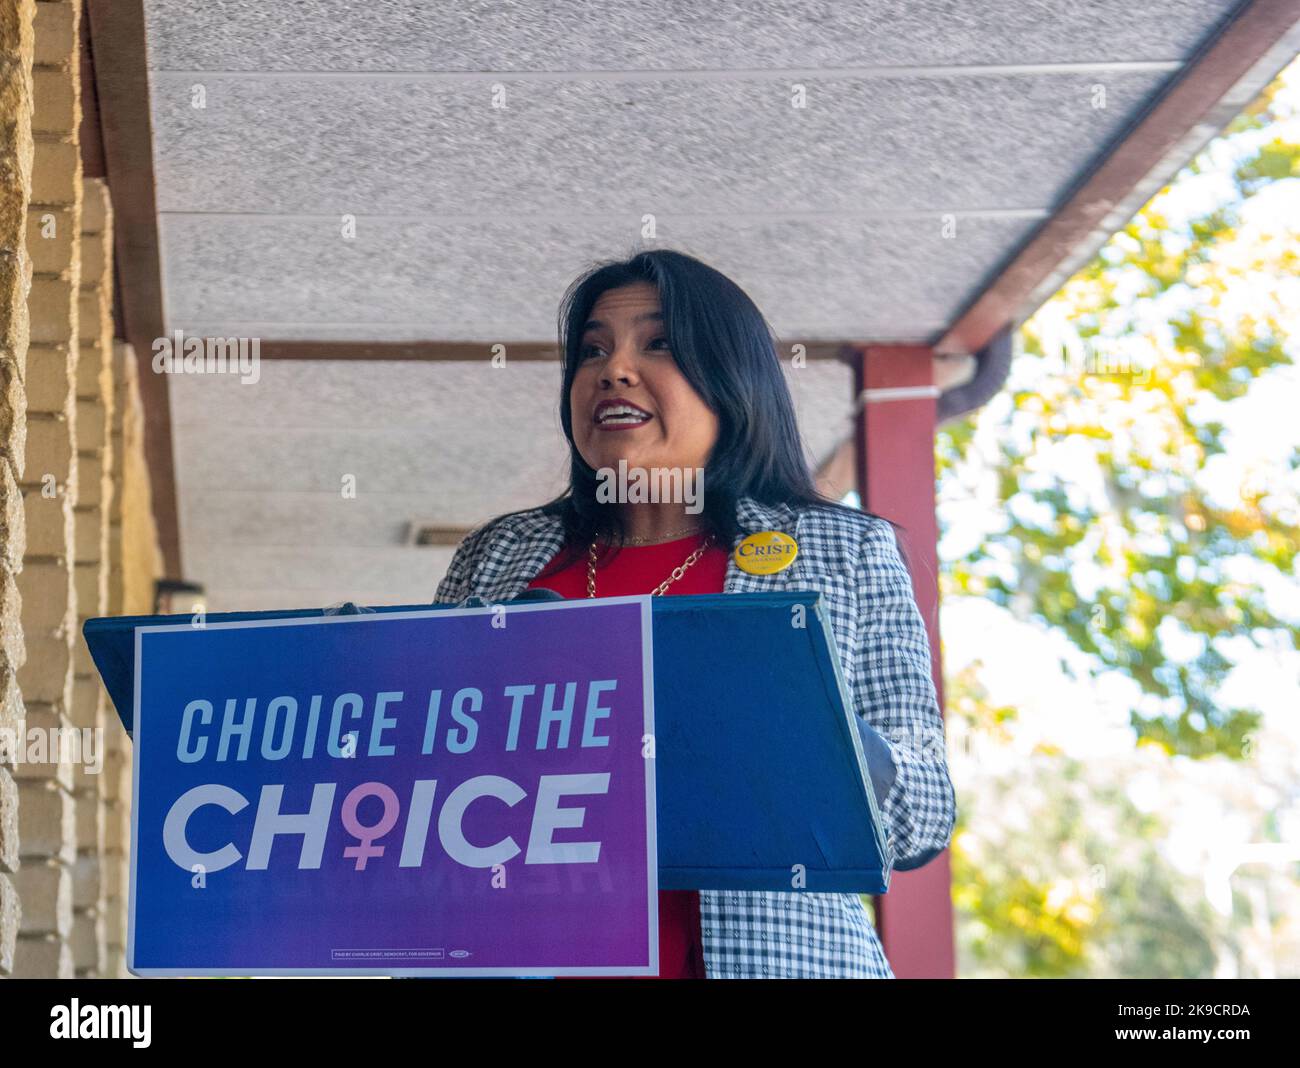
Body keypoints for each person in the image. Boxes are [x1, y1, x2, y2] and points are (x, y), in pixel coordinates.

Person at [435, 248, 956, 978]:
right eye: (592, 350)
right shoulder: (501, 558)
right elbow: (422, 787)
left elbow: (921, 818)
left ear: (732, 379)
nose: (613, 369)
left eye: (659, 343)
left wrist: (807, 726)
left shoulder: (842, 552)